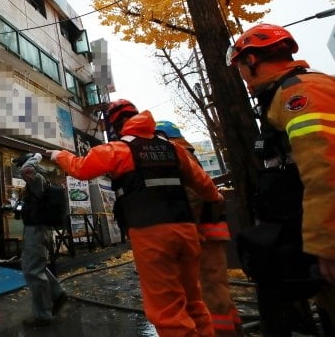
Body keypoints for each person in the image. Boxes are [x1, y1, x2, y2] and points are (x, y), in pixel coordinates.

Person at [47, 99, 222, 336]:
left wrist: (58, 155)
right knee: (194, 302)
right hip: (186, 230)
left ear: (115, 125)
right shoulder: (174, 149)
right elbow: (206, 186)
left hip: (151, 234)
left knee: (168, 311)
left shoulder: (118, 150)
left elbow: (81, 168)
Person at [227, 23, 335, 335]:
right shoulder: (295, 90)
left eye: (241, 68)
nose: (243, 77)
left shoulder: (299, 94)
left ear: (251, 61)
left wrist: (326, 242)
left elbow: (324, 165)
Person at [155, 120, 243, 336]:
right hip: (207, 233)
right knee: (215, 288)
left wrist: (186, 231)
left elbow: (192, 197)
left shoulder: (180, 157)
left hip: (202, 235)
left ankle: (218, 332)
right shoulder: (185, 154)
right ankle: (231, 329)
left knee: (210, 290)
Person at [15, 152, 68, 327]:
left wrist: (34, 155)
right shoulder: (41, 181)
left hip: (36, 230)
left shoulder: (38, 179)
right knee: (36, 267)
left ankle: (43, 316)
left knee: (33, 271)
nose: (21, 168)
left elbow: (27, 169)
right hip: (37, 228)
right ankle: (58, 294)